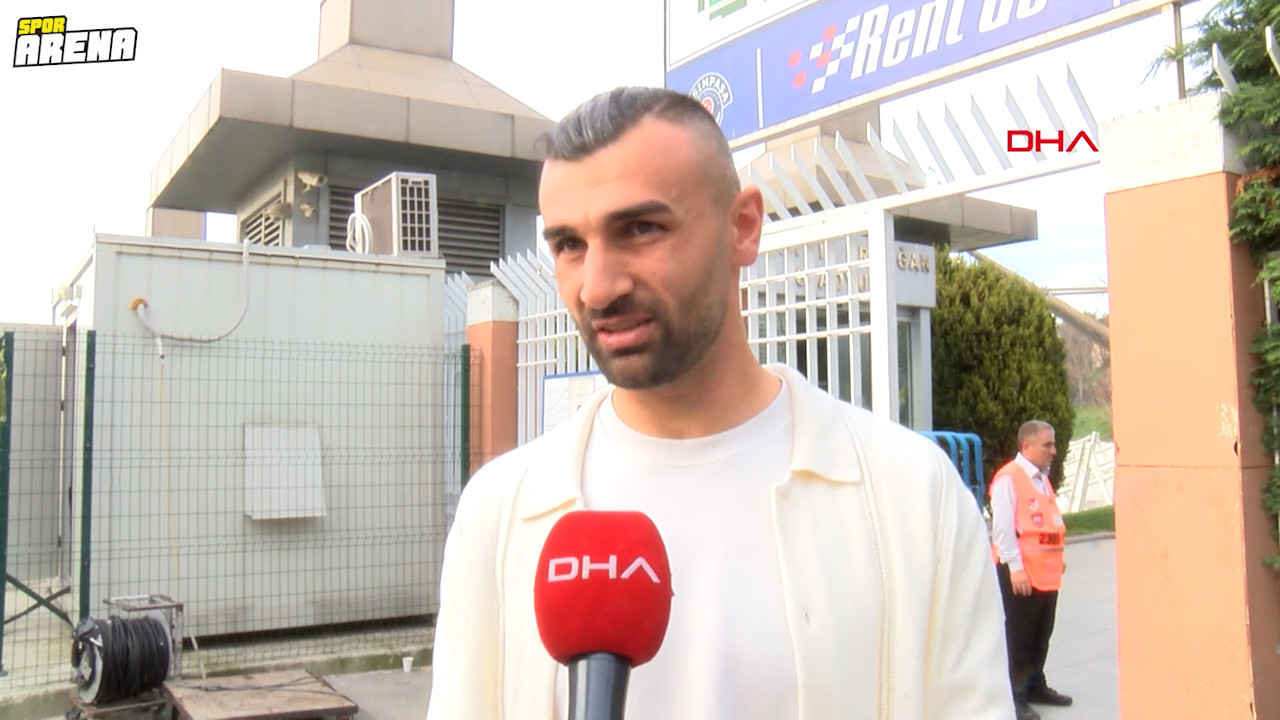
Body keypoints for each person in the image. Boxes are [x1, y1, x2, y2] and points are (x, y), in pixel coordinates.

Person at [425, 86, 1014, 720]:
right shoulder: (497, 514)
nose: (597, 287)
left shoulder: (913, 498)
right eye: (569, 244)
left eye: (641, 229)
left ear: (742, 227)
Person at [989, 420, 1074, 720]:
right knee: (1020, 636)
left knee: (1041, 633)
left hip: (1046, 573)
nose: (1054, 450)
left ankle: (1036, 684)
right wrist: (1015, 568)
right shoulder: (1009, 478)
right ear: (1026, 446)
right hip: (1022, 573)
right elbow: (1003, 529)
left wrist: (1057, 555)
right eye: (1047, 445)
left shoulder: (1041, 479)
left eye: (1053, 444)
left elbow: (1046, 522)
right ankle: (1014, 695)